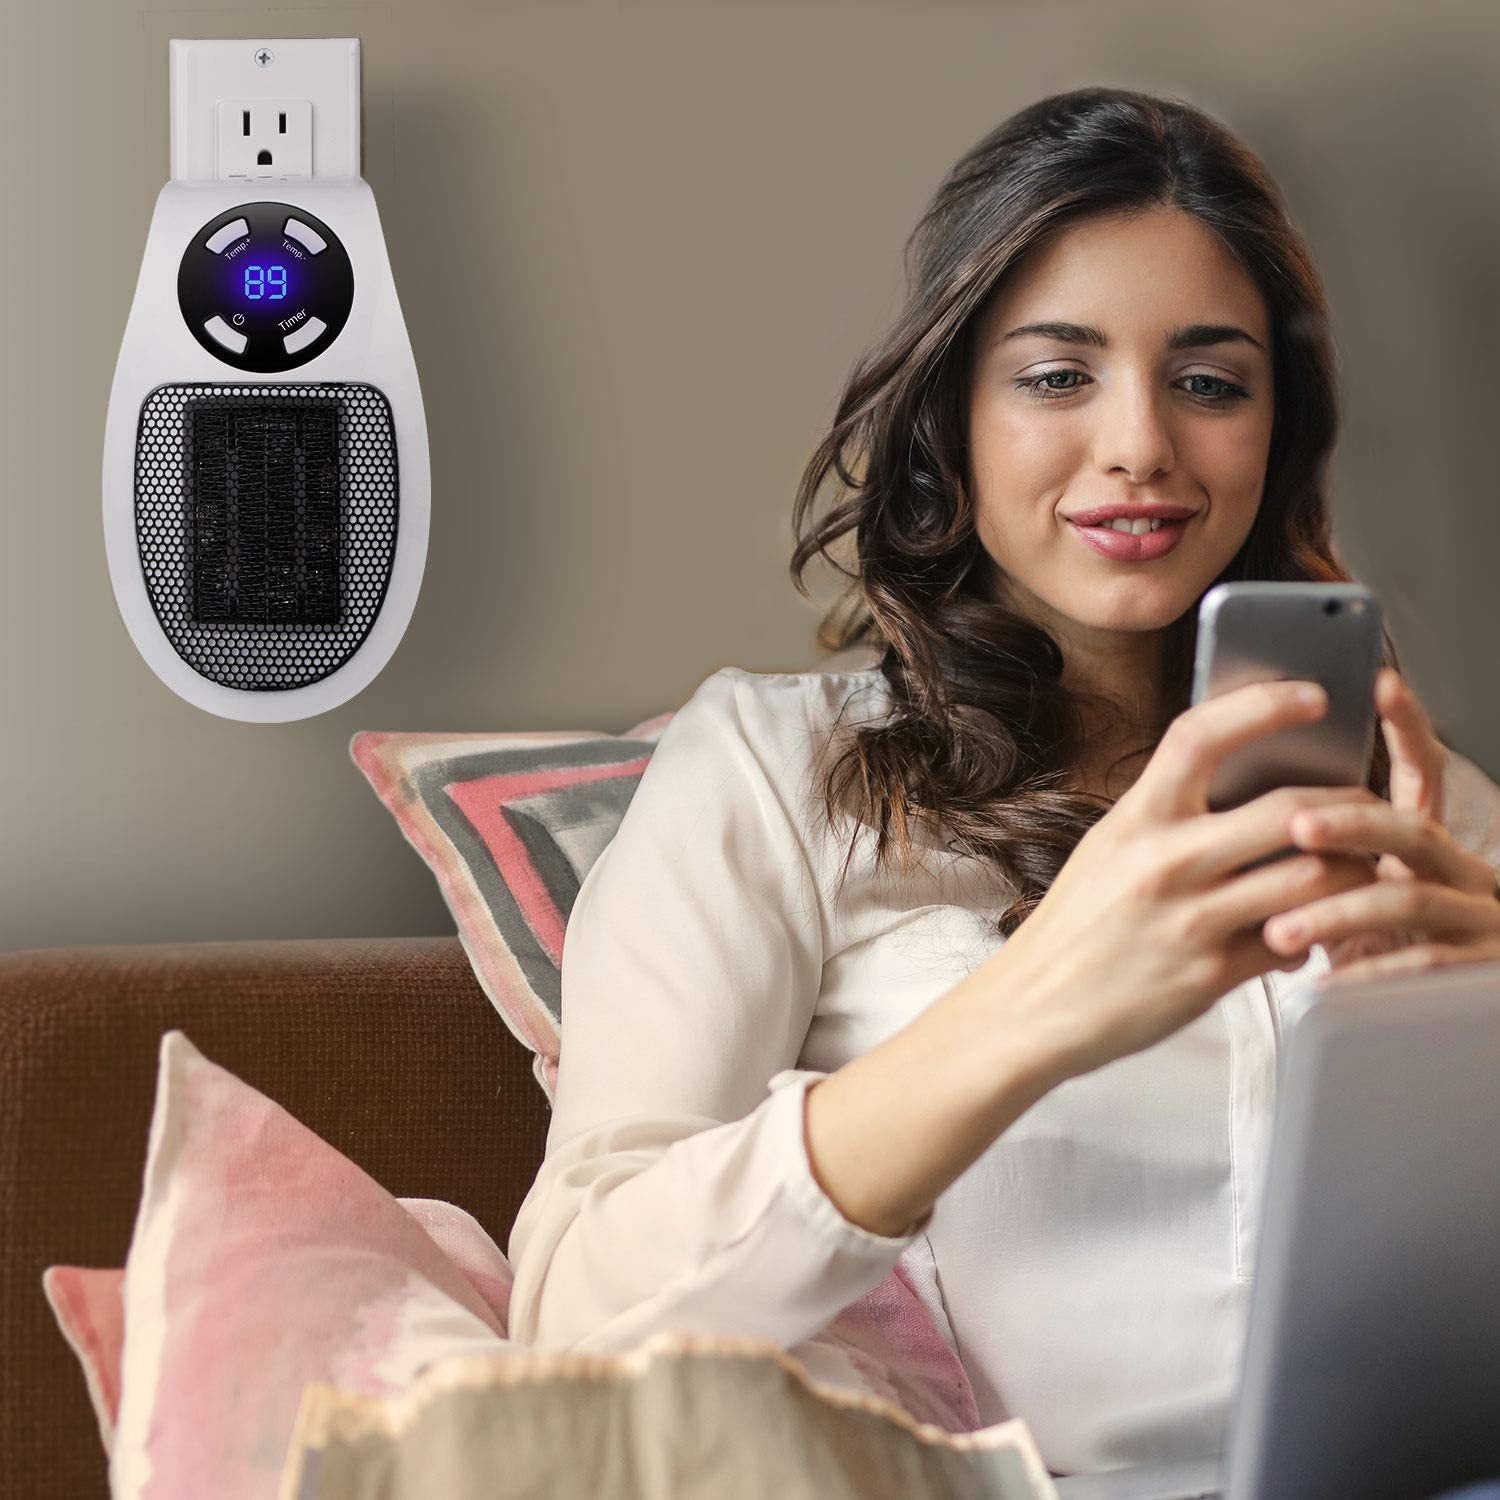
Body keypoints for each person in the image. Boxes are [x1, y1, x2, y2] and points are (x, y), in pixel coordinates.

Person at [504, 85, 1500, 1477]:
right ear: (950, 419)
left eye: (1210, 380)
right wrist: (1042, 1002)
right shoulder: (772, 776)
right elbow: (572, 1319)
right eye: (1056, 375)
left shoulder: (1398, 781)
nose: (1141, 443)